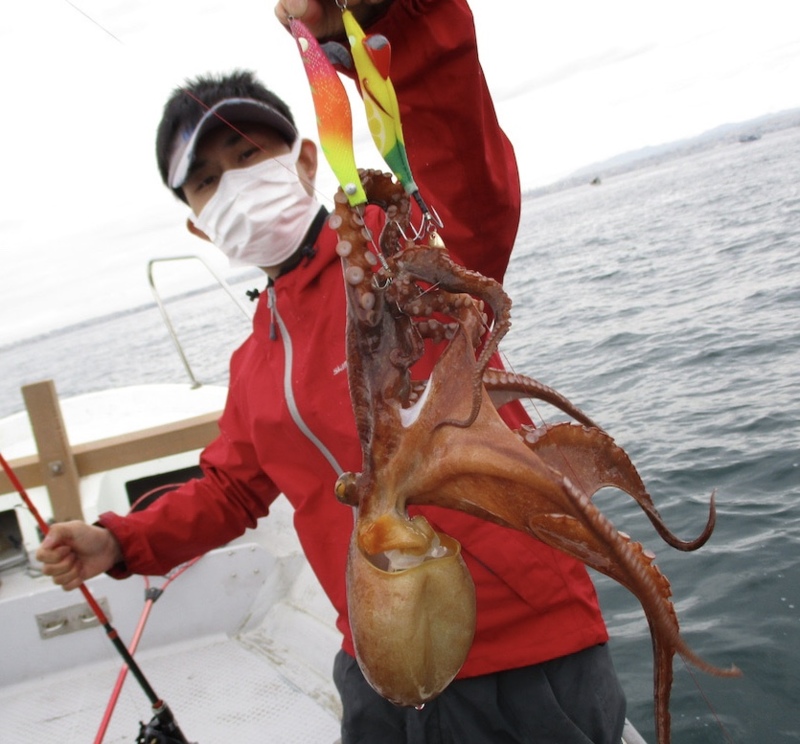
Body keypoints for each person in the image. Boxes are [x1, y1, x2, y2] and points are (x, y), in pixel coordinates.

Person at [36, 1, 626, 742]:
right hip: (378, 656)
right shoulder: (256, 361)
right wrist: (118, 542)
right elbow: (232, 487)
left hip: (524, 648)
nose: (236, 185)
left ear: (306, 160)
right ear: (196, 224)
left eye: (250, 155)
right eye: (208, 181)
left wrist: (402, 22)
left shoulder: (400, 253)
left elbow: (471, 194)